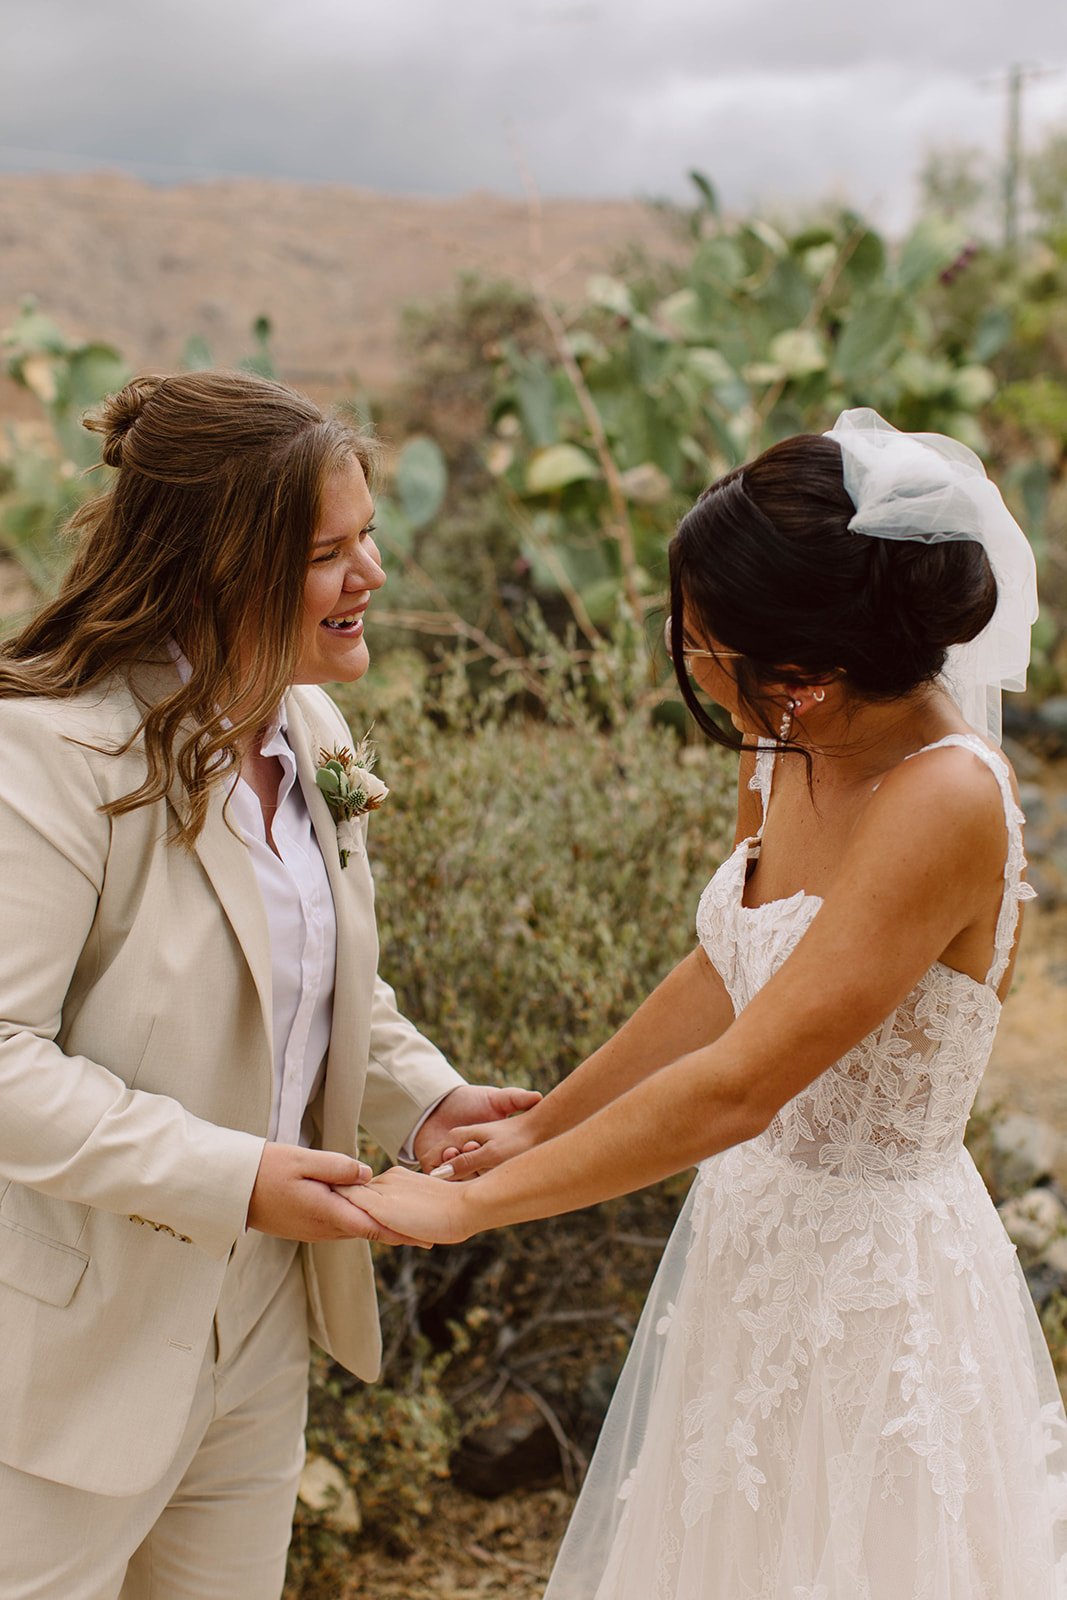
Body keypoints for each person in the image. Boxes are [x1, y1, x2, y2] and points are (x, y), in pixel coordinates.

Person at [350, 411, 1067, 1597]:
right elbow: (719, 968)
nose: (687, 664)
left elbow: (741, 1082)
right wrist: (540, 1121)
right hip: (745, 1238)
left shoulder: (944, 801)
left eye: (701, 647)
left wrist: (474, 1210)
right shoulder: (785, 742)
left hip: (872, 1283)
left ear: (808, 675)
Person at [0, 369, 538, 1600]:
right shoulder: (48, 750)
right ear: (216, 564)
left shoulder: (315, 736)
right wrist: (234, 1177)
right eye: (328, 552)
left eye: (369, 539)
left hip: (262, 1329)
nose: (372, 578)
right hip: (65, 1341)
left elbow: (326, 979)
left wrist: (423, 1100)